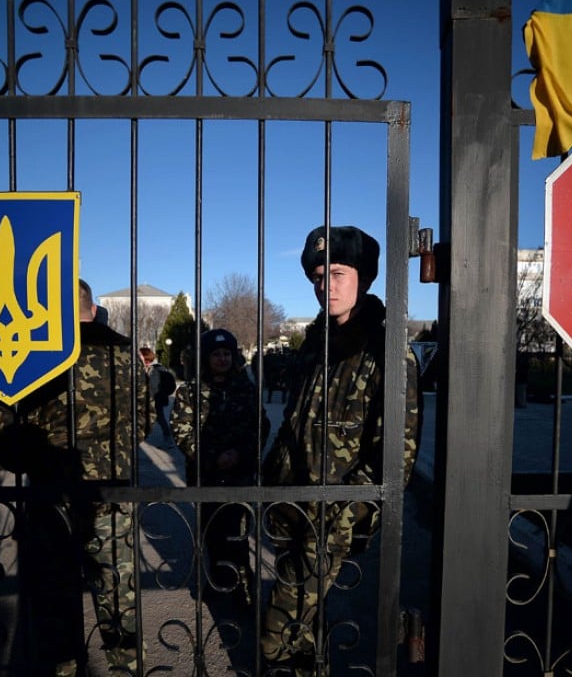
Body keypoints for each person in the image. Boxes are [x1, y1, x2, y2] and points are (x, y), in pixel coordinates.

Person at [259, 225, 422, 674]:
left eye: (337, 273)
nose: (325, 286)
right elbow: (294, 421)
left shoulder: (387, 353)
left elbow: (396, 458)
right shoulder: (315, 345)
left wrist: (342, 519)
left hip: (332, 521)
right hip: (291, 506)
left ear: (363, 278)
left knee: (274, 635)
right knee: (303, 637)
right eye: (316, 277)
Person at [0, 278, 144, 675]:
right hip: (112, 491)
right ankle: (126, 664)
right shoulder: (125, 354)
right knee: (117, 589)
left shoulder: (34, 357)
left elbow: (6, 436)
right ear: (93, 310)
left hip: (52, 493)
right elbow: (144, 419)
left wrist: (31, 458)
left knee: (56, 595)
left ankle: (64, 668)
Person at [169, 329, 270, 609]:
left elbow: (261, 426)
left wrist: (240, 454)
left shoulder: (245, 387)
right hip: (206, 475)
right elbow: (181, 430)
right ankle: (217, 584)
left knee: (237, 536)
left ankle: (244, 592)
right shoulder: (189, 390)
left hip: (240, 475)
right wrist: (211, 457)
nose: (222, 359)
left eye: (227, 353)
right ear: (206, 357)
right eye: (216, 354)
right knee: (211, 534)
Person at [138, 345, 176, 446]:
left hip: (156, 399)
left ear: (145, 358)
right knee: (159, 418)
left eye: (140, 356)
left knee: (160, 418)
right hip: (159, 398)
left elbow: (153, 387)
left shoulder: (153, 370)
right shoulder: (157, 368)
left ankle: (169, 440)